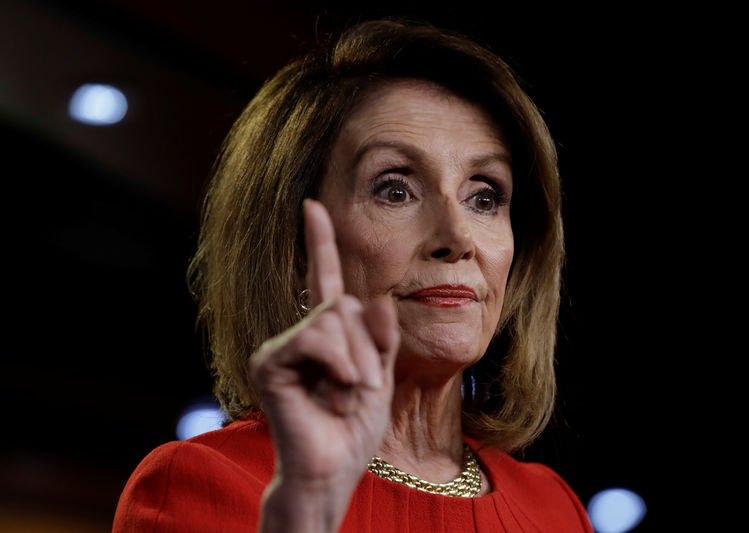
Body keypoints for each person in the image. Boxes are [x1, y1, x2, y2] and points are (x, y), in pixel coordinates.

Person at [112, 18, 593, 533]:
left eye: (484, 197)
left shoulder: (554, 507)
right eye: (395, 190)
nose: (458, 236)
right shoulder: (200, 486)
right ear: (295, 246)